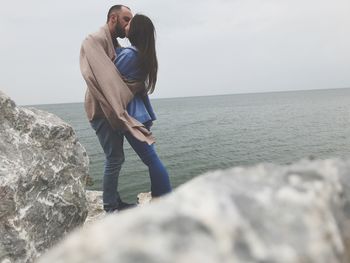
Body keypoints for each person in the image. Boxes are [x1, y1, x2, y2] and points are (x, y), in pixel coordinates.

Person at [80, 5, 154, 213]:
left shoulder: (114, 43)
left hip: (112, 109)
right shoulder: (94, 40)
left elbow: (120, 76)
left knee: (116, 158)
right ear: (113, 18)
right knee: (114, 158)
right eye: (126, 19)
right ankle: (110, 207)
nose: (129, 24)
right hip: (102, 109)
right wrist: (135, 85)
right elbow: (105, 79)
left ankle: (115, 201)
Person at [114, 14, 172, 198]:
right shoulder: (142, 54)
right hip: (141, 114)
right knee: (151, 158)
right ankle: (158, 194)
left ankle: (164, 197)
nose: (126, 24)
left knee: (151, 159)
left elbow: (109, 73)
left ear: (136, 29)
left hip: (133, 116)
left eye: (130, 22)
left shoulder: (130, 55)